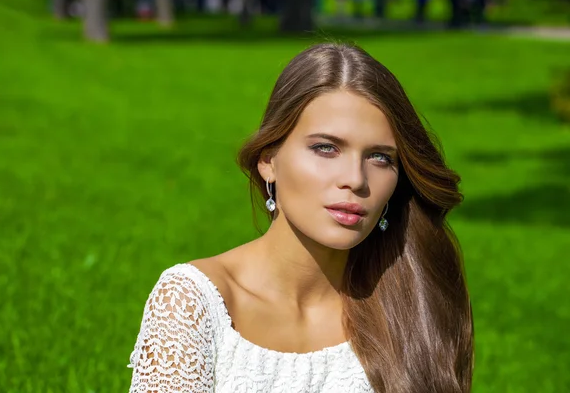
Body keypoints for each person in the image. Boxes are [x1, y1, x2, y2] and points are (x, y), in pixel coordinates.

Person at [127, 43, 475, 393]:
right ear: (269, 160)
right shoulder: (191, 305)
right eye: (326, 148)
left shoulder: (415, 300)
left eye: (380, 158)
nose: (355, 178)